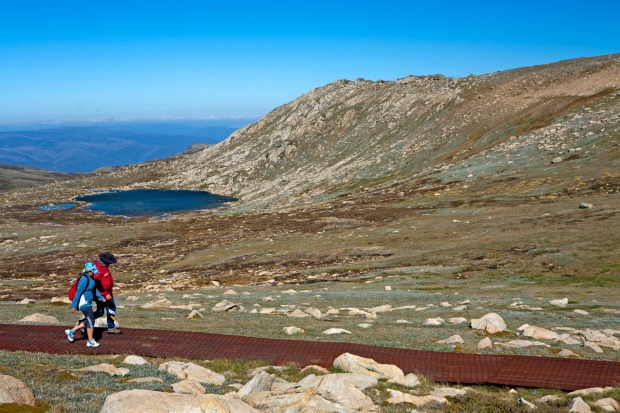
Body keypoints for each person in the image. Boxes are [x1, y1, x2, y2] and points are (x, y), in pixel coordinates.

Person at [65, 262, 106, 347]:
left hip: (87, 302)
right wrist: (73, 306)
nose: (94, 273)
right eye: (92, 271)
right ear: (89, 271)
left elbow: (94, 290)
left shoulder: (91, 279)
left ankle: (72, 331)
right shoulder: (84, 279)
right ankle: (90, 341)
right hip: (83, 302)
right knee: (91, 320)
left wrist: (101, 298)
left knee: (89, 320)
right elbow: (78, 293)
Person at [93, 252, 122, 334]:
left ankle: (84, 323)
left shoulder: (100, 266)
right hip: (104, 294)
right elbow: (97, 282)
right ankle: (111, 327)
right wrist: (105, 294)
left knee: (101, 311)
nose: (110, 264)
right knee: (109, 309)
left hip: (106, 293)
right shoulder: (100, 268)